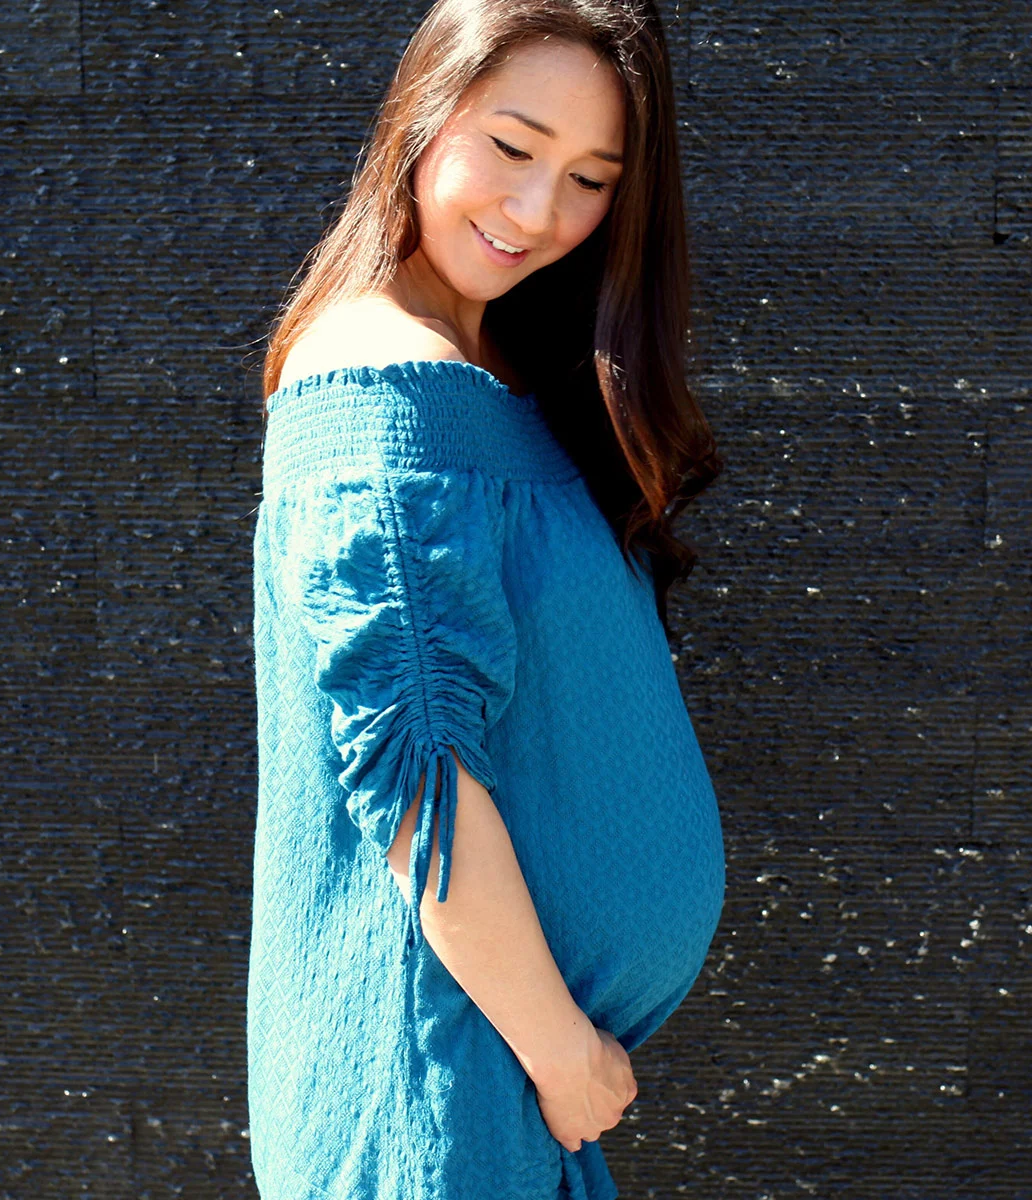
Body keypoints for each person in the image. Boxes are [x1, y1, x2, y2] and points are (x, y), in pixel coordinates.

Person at [248, 1, 724, 1196]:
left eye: (589, 179)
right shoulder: (378, 385)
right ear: (422, 111)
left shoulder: (476, 370)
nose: (536, 212)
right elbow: (416, 775)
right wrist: (562, 1053)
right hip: (441, 1083)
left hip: (486, 1073)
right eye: (511, 149)